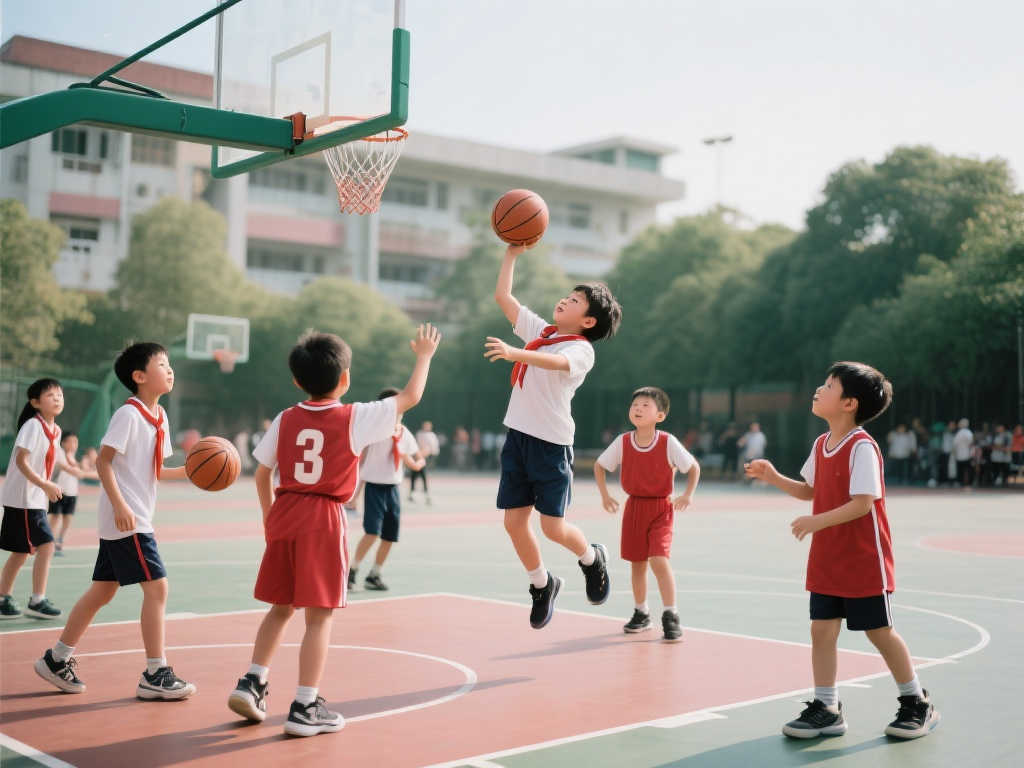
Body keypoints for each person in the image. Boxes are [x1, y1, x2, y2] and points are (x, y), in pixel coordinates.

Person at [226, 325, 440, 737]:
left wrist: (270, 516)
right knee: (319, 618)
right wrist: (425, 355)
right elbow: (411, 397)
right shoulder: (356, 416)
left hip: (285, 509)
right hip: (323, 515)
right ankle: (306, 705)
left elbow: (262, 473)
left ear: (296, 380)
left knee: (280, 607)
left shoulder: (286, 417)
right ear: (345, 379)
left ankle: (253, 681)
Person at [745, 361, 939, 740]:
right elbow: (809, 491)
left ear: (849, 403)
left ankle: (917, 701)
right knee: (821, 631)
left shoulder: (862, 447)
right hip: (829, 557)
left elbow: (862, 503)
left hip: (863, 558)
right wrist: (773, 477)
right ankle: (827, 707)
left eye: (829, 385)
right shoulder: (822, 444)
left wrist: (815, 522)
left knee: (879, 631)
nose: (819, 389)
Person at [35, 343, 197, 699]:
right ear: (139, 377)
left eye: (170, 364)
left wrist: (192, 471)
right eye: (162, 364)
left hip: (131, 515)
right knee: (157, 588)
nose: (169, 370)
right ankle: (156, 672)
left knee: (102, 591)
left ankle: (56, 659)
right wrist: (122, 505)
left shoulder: (159, 417)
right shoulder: (129, 415)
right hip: (128, 518)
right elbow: (104, 462)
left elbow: (155, 471)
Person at [486, 243, 622, 629]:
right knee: (513, 524)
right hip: (518, 439)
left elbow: (557, 362)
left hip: (549, 445)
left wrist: (517, 353)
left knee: (552, 527)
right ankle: (542, 584)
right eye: (568, 295)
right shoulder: (541, 332)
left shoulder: (579, 350)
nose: (565, 300)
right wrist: (512, 252)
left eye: (575, 300)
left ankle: (592, 558)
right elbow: (503, 296)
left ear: (589, 321)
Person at [593, 387, 699, 642]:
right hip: (634, 508)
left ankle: (671, 614)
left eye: (645, 405)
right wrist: (605, 496)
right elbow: (599, 465)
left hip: (661, 508)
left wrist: (688, 495)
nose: (638, 408)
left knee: (658, 560)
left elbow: (692, 467)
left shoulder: (667, 442)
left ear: (660, 416)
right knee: (637, 565)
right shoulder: (623, 442)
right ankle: (642, 612)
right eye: (635, 405)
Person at [1, 379, 76, 619]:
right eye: (51, 395)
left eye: (60, 395)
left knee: (22, 552)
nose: (57, 399)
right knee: (47, 545)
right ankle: (37, 600)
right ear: (35, 402)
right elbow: (22, 460)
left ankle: (3, 597)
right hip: (24, 499)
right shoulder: (33, 426)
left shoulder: (55, 430)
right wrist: (44, 484)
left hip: (32, 499)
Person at [348, 388, 426, 592]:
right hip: (374, 487)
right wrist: (355, 494)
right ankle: (352, 570)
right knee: (372, 532)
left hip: (393, 489)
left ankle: (374, 574)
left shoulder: (403, 432)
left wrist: (418, 462)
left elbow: (408, 455)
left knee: (390, 536)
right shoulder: (374, 433)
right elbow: (362, 462)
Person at [48, 431, 98, 556]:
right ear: (63, 443)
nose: (74, 444)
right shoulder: (59, 453)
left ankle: (59, 542)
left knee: (67, 519)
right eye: (71, 441)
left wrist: (90, 461)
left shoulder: (73, 455)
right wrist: (84, 467)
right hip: (59, 491)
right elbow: (72, 469)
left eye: (76, 442)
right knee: (55, 517)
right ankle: (48, 542)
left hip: (72, 493)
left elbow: (82, 469)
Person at [410, 420, 440, 504]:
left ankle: (426, 494)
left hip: (426, 458)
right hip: (418, 457)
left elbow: (433, 449)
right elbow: (415, 445)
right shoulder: (419, 434)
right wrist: (417, 455)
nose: (426, 427)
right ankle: (414, 493)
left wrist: (425, 454)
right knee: (414, 474)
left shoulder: (432, 436)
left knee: (422, 474)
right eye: (425, 425)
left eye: (427, 426)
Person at [952, 418, 974, 488]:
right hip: (967, 454)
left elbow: (954, 444)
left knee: (961, 469)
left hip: (960, 454)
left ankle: (961, 482)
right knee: (968, 469)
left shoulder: (959, 433)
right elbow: (971, 443)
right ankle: (968, 483)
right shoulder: (969, 433)